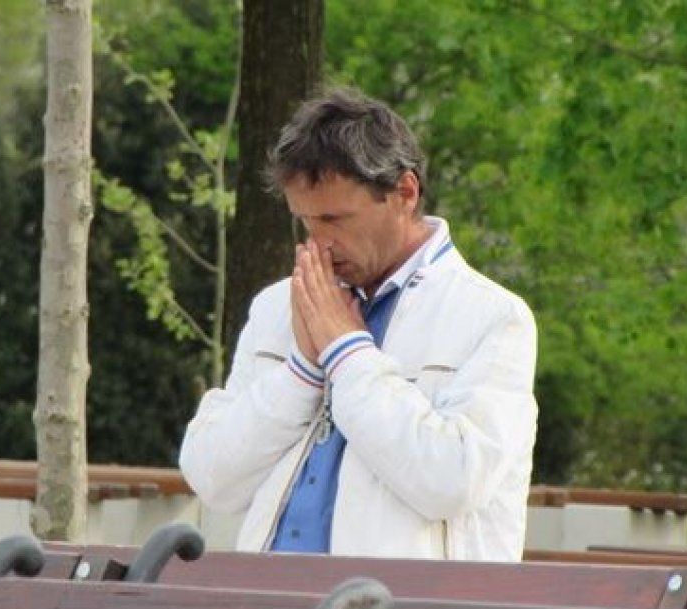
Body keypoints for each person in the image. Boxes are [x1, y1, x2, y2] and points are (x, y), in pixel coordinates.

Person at [179, 88, 537, 561]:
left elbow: (453, 481)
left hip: (403, 604)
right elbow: (211, 478)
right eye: (306, 222)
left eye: (335, 219)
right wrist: (301, 374)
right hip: (271, 597)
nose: (319, 243)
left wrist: (346, 352)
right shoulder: (276, 307)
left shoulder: (493, 317)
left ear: (404, 193)